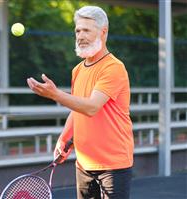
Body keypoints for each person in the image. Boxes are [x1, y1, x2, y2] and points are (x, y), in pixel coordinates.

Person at [27, 5, 134, 199]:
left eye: (86, 30)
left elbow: (91, 107)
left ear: (103, 32)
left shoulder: (114, 68)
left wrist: (55, 95)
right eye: (77, 30)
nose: (80, 35)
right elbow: (78, 108)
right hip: (84, 163)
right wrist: (63, 137)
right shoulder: (77, 70)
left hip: (113, 165)